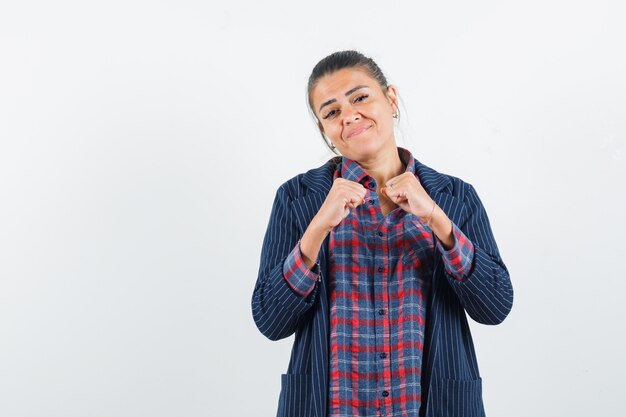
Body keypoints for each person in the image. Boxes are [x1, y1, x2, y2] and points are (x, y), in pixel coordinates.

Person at [251, 50, 513, 417]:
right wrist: (317, 229)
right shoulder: (298, 199)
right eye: (331, 111)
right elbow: (270, 321)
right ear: (324, 129)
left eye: (360, 97)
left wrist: (437, 219)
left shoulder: (455, 197)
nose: (349, 115)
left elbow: (496, 306)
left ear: (390, 99)